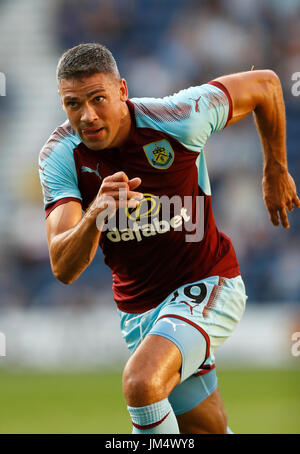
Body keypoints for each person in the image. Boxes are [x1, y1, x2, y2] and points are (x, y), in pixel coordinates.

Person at [38, 43, 300, 434]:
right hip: (140, 312)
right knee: (205, 430)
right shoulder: (60, 156)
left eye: (98, 99)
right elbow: (63, 267)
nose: (87, 116)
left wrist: (275, 168)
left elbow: (265, 84)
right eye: (73, 104)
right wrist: (95, 214)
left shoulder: (177, 118)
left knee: (141, 383)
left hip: (208, 282)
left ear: (122, 91)